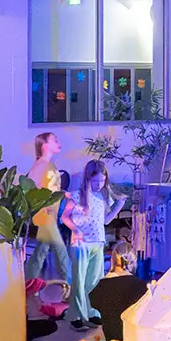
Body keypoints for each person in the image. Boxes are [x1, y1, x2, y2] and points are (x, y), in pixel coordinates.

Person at [63, 158, 124, 328]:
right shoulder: (77, 196)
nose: (99, 184)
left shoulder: (102, 196)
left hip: (98, 241)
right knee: (79, 279)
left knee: (94, 280)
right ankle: (76, 315)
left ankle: (92, 312)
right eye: (96, 181)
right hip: (81, 243)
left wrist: (119, 206)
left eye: (102, 181)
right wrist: (76, 230)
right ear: (88, 178)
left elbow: (106, 220)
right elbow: (65, 217)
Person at [27, 131, 70, 286]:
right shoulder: (41, 165)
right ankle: (73, 286)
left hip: (51, 214)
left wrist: (63, 194)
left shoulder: (49, 165)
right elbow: (31, 189)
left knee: (41, 252)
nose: (58, 142)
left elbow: (50, 188)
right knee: (60, 250)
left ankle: (27, 284)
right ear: (44, 145)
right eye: (54, 140)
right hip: (44, 214)